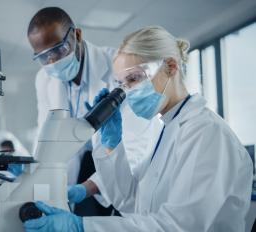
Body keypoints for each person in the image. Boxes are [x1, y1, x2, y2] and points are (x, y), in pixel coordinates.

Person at [23, 25, 253, 232]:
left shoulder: (206, 133)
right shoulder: (168, 129)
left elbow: (178, 226)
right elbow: (132, 201)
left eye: (133, 79)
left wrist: (82, 226)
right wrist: (112, 146)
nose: (128, 92)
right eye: (122, 84)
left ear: (170, 67)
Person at [28, 7, 161, 216]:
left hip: (119, 159)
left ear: (77, 35)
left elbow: (135, 146)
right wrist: (34, 173)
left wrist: (87, 188)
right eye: (43, 57)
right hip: (79, 164)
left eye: (58, 50)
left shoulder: (119, 69)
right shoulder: (44, 79)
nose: (52, 62)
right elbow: (47, 137)